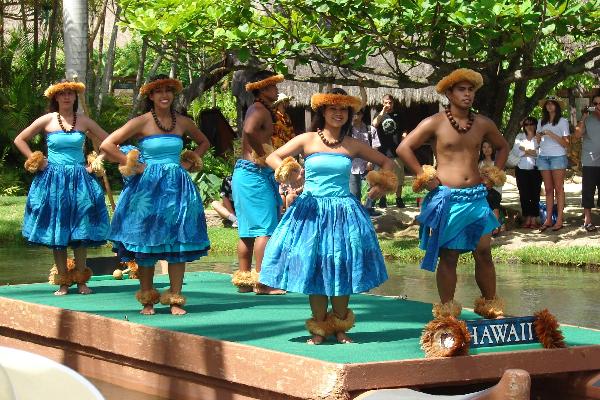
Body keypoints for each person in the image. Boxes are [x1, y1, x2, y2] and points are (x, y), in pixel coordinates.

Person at [258, 88, 396, 345]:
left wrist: (381, 184)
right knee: (316, 266)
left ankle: (341, 326)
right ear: (322, 111)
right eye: (333, 108)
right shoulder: (307, 139)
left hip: (344, 212)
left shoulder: (353, 144)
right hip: (311, 212)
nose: (338, 113)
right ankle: (320, 328)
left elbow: (388, 163)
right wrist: (288, 171)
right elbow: (273, 157)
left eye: (343, 109)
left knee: (342, 265)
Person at [397, 68, 509, 320]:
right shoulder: (435, 122)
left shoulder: (482, 123)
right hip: (448, 198)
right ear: (449, 93)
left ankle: (491, 306)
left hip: (477, 197)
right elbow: (404, 148)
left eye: (470, 90)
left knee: (483, 251)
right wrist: (424, 176)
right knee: (449, 255)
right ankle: (447, 310)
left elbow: (502, 147)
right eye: (461, 89)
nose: (467, 94)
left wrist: (493, 174)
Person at [100, 74, 211, 315]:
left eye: (168, 91)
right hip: (148, 189)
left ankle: (175, 299)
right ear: (150, 96)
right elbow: (107, 145)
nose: (164, 95)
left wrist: (190, 161)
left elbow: (204, 142)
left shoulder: (182, 122)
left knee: (177, 242)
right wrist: (134, 164)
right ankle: (148, 299)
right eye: (158, 91)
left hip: (178, 189)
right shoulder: (141, 122)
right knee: (146, 242)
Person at [13, 79, 109, 296]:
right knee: (59, 230)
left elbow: (109, 141)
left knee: (80, 228)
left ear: (75, 97)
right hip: (53, 180)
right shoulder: (47, 120)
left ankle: (82, 279)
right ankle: (63, 281)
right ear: (55, 97)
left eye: (71, 93)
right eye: (62, 94)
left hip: (79, 179)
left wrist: (95, 163)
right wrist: (38, 160)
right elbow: (20, 139)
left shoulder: (83, 121)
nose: (67, 97)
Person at [230, 70, 285, 294]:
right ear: (261, 89)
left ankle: (245, 280)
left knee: (247, 231)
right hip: (253, 174)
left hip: (245, 174)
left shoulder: (258, 109)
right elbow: (249, 130)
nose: (277, 90)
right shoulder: (259, 109)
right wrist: (263, 152)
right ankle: (263, 281)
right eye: (272, 86)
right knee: (265, 229)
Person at [536, 96, 570, 232]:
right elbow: (538, 142)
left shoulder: (563, 122)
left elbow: (567, 144)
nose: (549, 106)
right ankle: (548, 219)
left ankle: (560, 219)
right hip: (543, 157)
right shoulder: (541, 121)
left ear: (557, 106)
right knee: (548, 189)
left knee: (558, 188)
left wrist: (551, 134)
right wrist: (538, 137)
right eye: (547, 104)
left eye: (552, 104)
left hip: (558, 157)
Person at [372, 94, 406, 208]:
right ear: (383, 103)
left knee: (398, 178)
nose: (388, 105)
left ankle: (399, 198)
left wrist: (404, 139)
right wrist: (383, 112)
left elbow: (404, 131)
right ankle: (383, 199)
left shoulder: (399, 115)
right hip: (382, 153)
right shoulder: (379, 114)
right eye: (386, 102)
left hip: (397, 152)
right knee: (382, 178)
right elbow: (374, 124)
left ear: (393, 103)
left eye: (390, 102)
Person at [575, 94, 600, 232]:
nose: (598, 106)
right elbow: (577, 135)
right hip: (590, 161)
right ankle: (587, 221)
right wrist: (583, 117)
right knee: (588, 191)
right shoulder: (588, 120)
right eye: (595, 103)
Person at [512, 117, 542, 229]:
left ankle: (534, 218)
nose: (529, 126)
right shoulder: (519, 137)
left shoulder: (539, 137)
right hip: (521, 169)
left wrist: (524, 150)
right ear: (523, 126)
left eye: (531, 124)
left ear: (535, 125)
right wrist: (531, 152)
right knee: (524, 194)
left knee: (535, 194)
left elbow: (540, 152)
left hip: (535, 169)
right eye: (526, 124)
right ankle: (527, 218)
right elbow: (516, 151)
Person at [350, 108, 381, 214]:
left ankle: (369, 208)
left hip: (368, 163)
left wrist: (371, 161)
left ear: (362, 115)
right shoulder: (346, 130)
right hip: (352, 165)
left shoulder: (370, 129)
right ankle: (358, 212)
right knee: (354, 191)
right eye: (353, 114)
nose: (355, 116)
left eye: (357, 114)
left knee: (374, 186)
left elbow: (375, 146)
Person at [479, 140, 503, 235]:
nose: (486, 149)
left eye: (489, 147)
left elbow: (500, 179)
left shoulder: (496, 162)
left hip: (495, 189)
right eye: (484, 147)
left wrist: (491, 182)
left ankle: (495, 226)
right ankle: (489, 226)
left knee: (493, 199)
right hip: (483, 188)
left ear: (493, 149)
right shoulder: (479, 163)